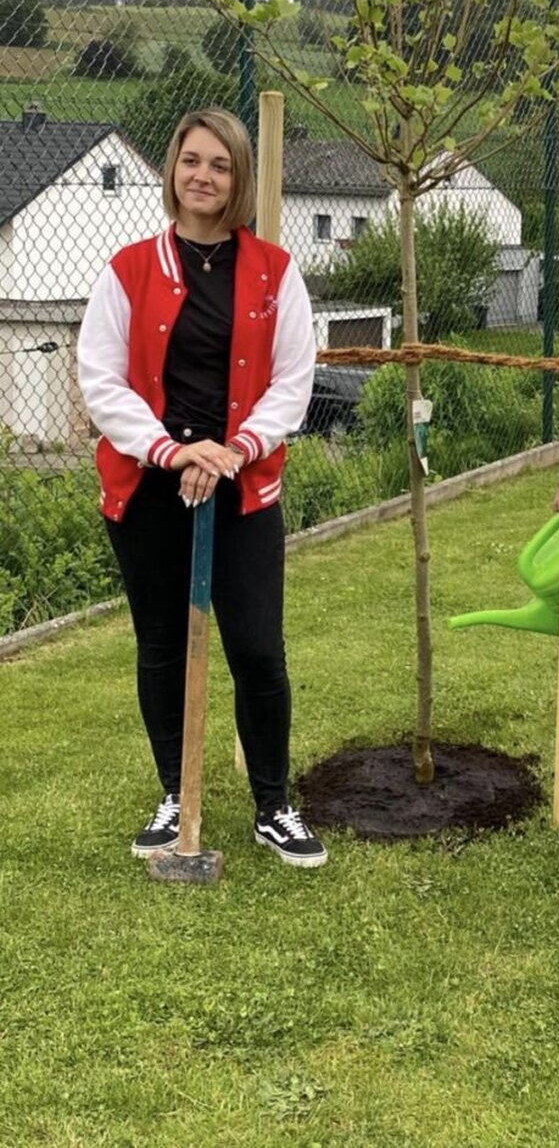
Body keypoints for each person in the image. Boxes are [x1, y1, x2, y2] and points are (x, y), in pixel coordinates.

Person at [77, 107, 328, 867]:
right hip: (151, 489)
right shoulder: (128, 270)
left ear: (239, 177)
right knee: (160, 644)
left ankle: (272, 804)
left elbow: (293, 378)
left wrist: (232, 452)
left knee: (257, 649)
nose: (203, 176)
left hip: (242, 487)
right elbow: (101, 378)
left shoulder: (276, 271)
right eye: (192, 161)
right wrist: (170, 451)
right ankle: (173, 792)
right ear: (172, 170)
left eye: (220, 164)